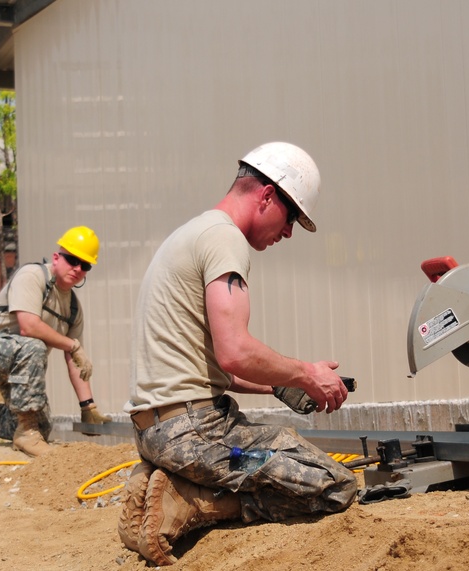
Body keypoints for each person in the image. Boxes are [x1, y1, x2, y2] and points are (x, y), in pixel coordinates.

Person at [118, 141, 357, 565]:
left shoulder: (192, 233)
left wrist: (279, 386)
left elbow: (206, 363)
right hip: (195, 433)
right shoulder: (225, 240)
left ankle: (161, 478)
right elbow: (235, 352)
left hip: (155, 431)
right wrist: (305, 373)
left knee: (272, 457)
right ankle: (193, 501)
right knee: (332, 483)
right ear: (267, 195)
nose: (287, 233)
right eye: (291, 218)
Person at [0, 226, 112, 456]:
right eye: (72, 259)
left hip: (18, 363)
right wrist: (72, 345)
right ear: (57, 258)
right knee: (34, 345)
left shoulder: (73, 309)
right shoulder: (33, 275)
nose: (77, 268)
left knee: (42, 426)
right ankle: (26, 434)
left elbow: (75, 360)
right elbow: (29, 327)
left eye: (84, 265)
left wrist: (88, 407)